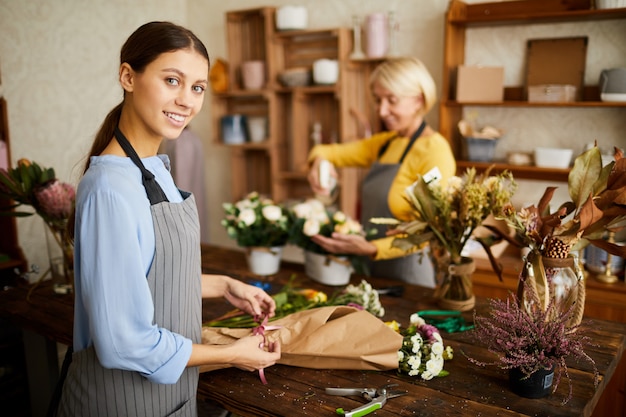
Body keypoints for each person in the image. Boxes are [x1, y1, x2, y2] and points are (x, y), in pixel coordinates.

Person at [56, 21, 280, 417]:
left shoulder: (155, 168)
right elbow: (122, 341)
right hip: (119, 403)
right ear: (128, 76)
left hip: (168, 398)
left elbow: (146, 278)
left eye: (197, 88)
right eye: (172, 80)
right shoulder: (110, 187)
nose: (186, 101)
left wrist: (225, 285)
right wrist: (231, 354)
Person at [307, 57, 456, 287]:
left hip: (409, 277)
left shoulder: (434, 151)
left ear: (418, 100)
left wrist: (373, 248)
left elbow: (429, 229)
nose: (382, 110)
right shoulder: (385, 143)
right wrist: (318, 161)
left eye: (391, 100)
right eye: (378, 100)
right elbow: (329, 151)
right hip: (372, 267)